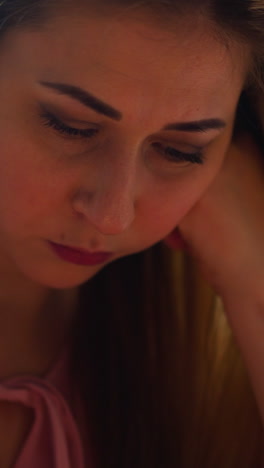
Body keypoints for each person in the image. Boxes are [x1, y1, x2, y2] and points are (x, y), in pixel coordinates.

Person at [0, 0, 263, 466]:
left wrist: (251, 276)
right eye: (71, 126)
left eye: (181, 151)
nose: (111, 216)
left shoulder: (200, 363)